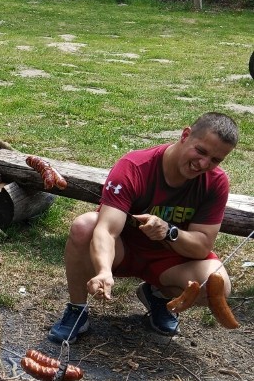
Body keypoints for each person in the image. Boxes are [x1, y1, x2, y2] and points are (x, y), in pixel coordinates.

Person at [49, 112, 239, 342]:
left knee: (217, 284)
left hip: (168, 259)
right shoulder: (134, 167)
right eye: (200, 151)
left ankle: (156, 295)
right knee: (84, 225)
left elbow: (202, 246)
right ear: (185, 135)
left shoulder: (215, 182)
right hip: (122, 250)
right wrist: (103, 270)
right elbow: (107, 230)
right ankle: (77, 310)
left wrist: (169, 231)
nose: (204, 164)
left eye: (216, 160)